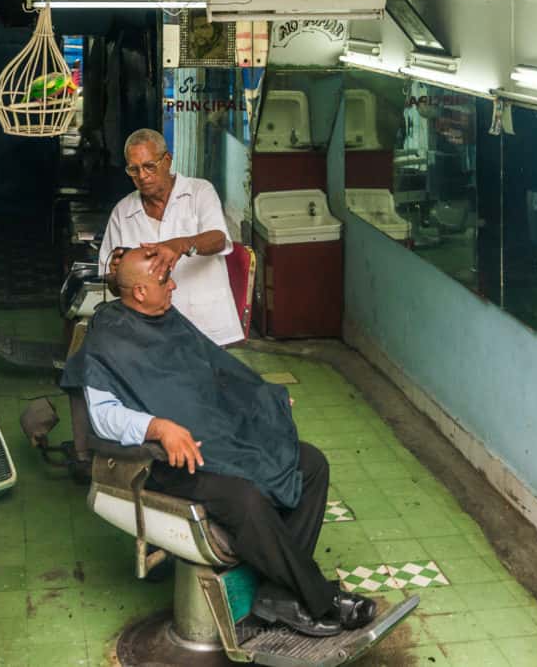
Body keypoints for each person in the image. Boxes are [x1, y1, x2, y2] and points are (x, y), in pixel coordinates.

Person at [61, 248, 377, 637]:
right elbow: (104, 415)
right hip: (162, 461)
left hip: (215, 437)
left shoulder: (168, 319)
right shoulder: (106, 339)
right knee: (245, 498)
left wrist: (261, 397)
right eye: (164, 282)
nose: (173, 285)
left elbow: (214, 368)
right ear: (139, 292)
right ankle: (320, 597)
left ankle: (277, 595)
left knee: (310, 464)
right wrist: (157, 427)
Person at [97, 128, 243, 346]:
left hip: (205, 323)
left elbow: (219, 239)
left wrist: (181, 245)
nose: (143, 176)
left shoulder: (199, 191)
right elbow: (110, 282)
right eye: (134, 170)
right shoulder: (123, 211)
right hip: (149, 331)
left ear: (167, 160)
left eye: (149, 166)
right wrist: (120, 274)